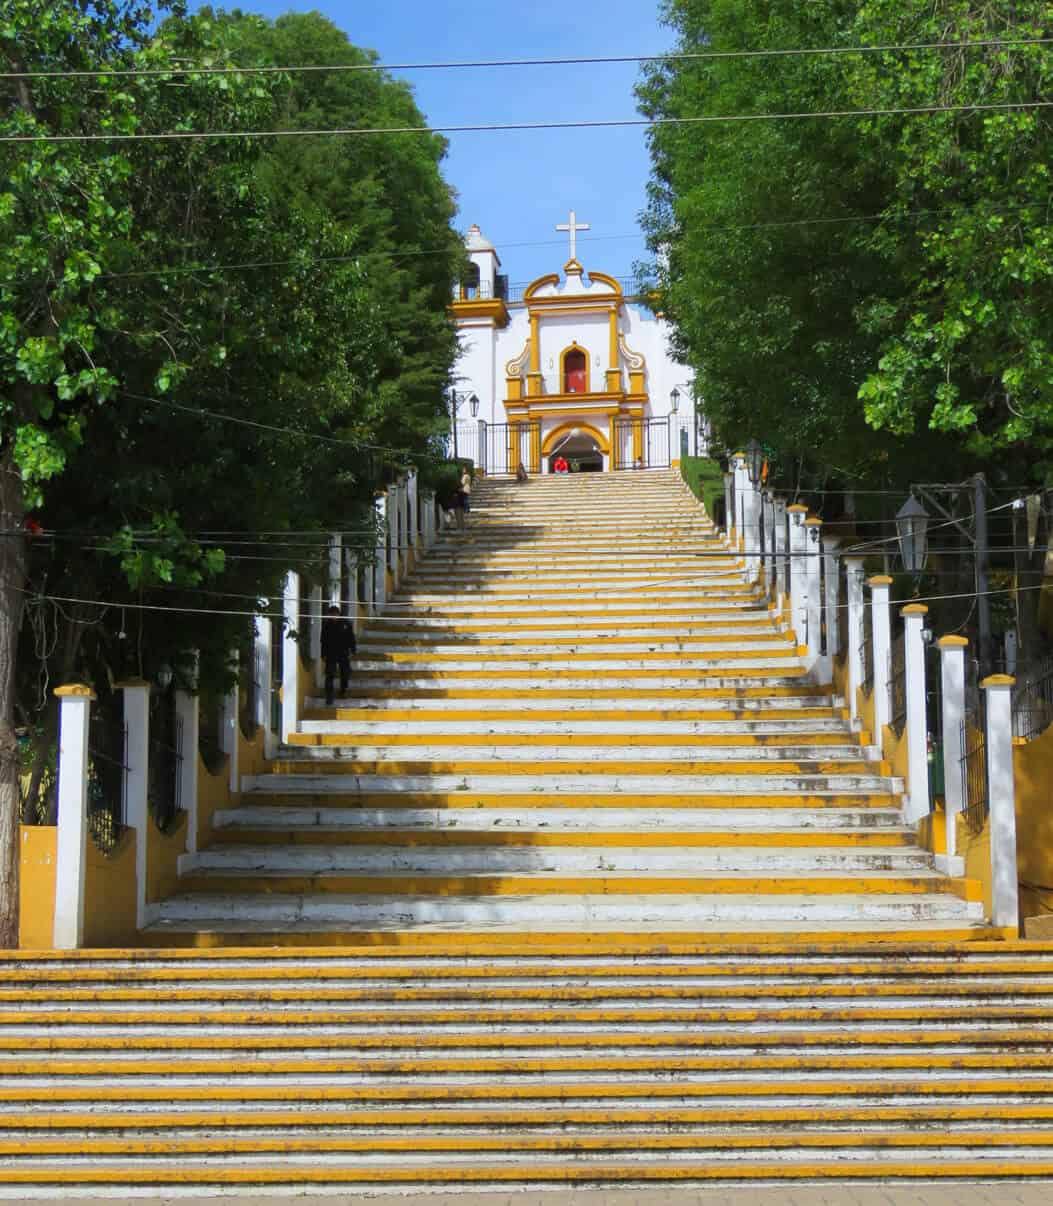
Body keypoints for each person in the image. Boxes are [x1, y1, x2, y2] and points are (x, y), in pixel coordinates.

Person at [320, 604, 356, 707]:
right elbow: (323, 641)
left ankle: (343, 691)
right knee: (329, 674)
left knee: (345, 672)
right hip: (331, 653)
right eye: (332, 614)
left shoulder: (346, 624)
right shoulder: (326, 626)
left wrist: (353, 650)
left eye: (335, 614)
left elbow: (351, 638)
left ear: (339, 614)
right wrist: (323, 654)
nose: (334, 616)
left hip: (343, 652)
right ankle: (329, 696)